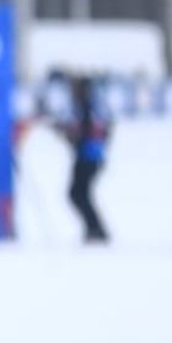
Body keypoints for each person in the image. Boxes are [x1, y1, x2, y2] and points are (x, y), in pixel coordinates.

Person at [59, 74, 110, 243]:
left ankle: (96, 229)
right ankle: (95, 229)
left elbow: (81, 134)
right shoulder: (92, 106)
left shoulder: (87, 107)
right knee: (80, 194)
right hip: (90, 156)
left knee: (78, 194)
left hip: (87, 158)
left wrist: (67, 134)